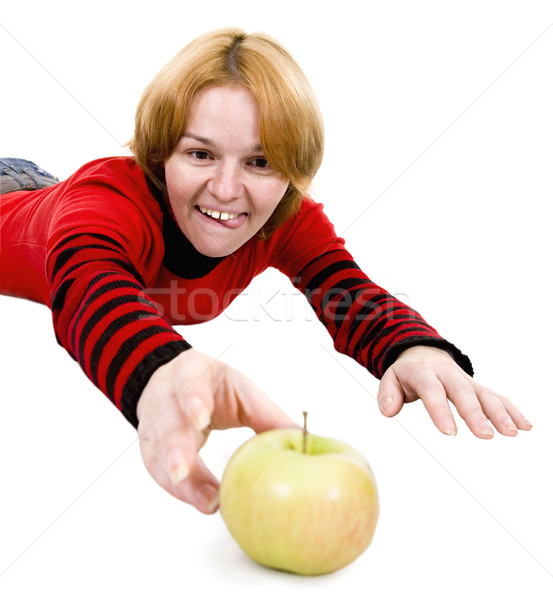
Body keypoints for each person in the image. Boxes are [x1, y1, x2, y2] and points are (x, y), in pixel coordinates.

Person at [0, 27, 531, 515]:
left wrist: (413, 347)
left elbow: (346, 291)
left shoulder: (285, 217)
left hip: (43, 185)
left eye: (260, 162)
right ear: (161, 155)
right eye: (200, 154)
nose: (227, 190)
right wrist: (157, 372)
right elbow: (90, 285)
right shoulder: (108, 199)